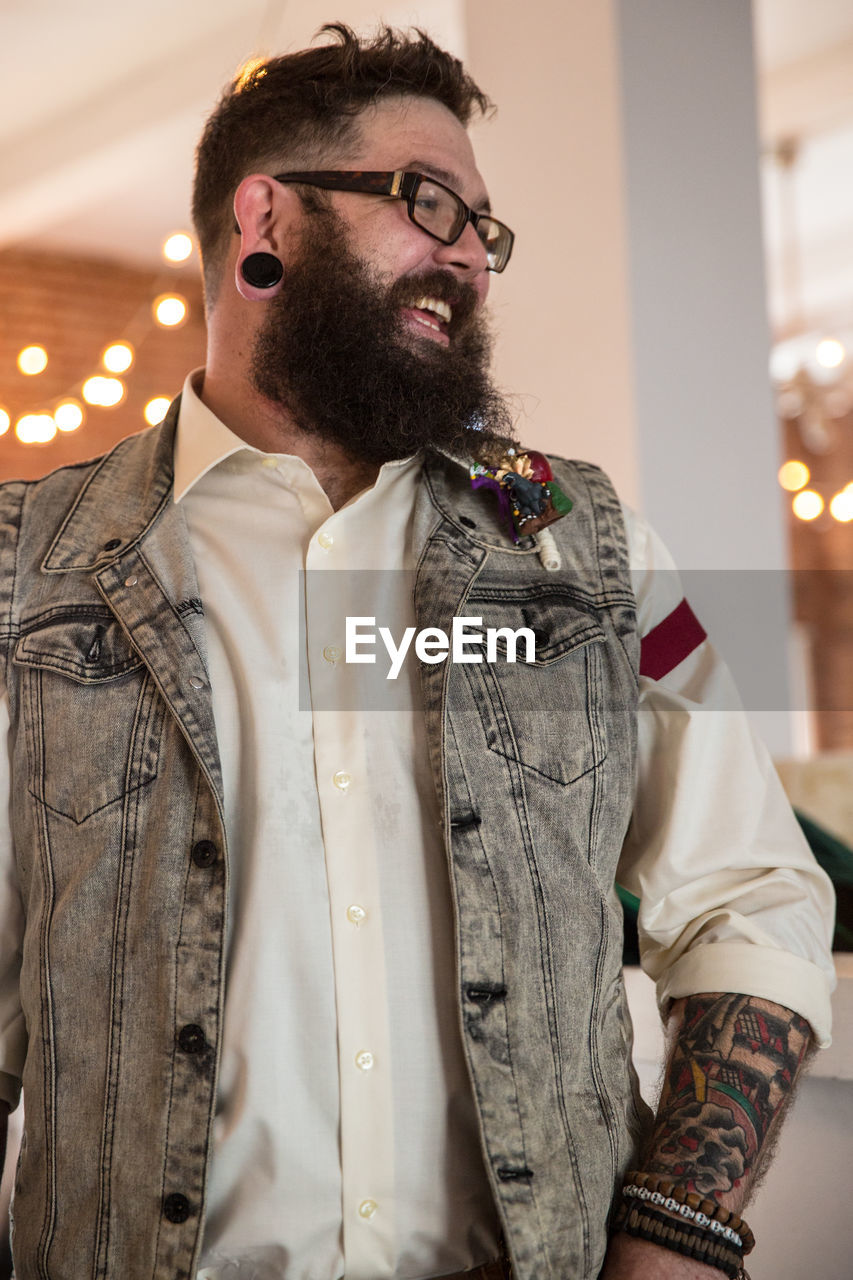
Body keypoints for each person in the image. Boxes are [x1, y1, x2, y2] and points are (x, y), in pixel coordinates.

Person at [0, 23, 835, 1280]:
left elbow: (747, 895)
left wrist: (681, 1235)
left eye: (482, 232)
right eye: (426, 202)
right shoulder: (29, 566)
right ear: (264, 217)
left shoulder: (593, 552)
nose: (469, 261)